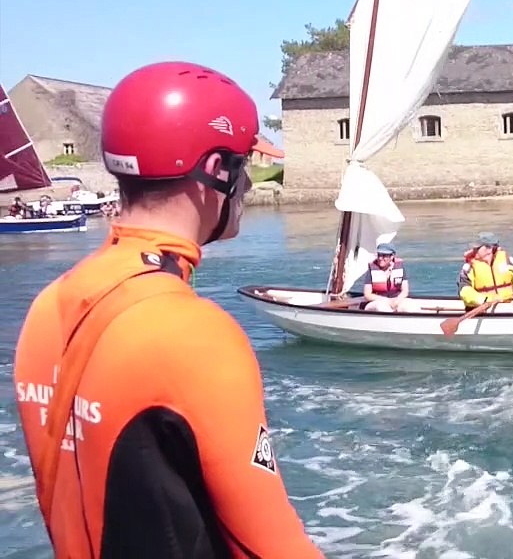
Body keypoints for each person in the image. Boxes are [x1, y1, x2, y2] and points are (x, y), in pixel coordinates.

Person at [11, 61, 321, 558]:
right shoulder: (194, 333)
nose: (250, 187)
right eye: (245, 167)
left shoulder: (51, 304)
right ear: (216, 172)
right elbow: (271, 548)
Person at [457, 232, 513, 308]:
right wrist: (485, 300)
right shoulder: (469, 268)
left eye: (493, 246)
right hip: (484, 307)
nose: (490, 250)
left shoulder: (508, 260)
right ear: (476, 248)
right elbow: (465, 292)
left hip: (510, 303)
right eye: (487, 246)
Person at [362, 242, 409, 312]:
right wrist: (387, 301)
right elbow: (367, 294)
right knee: (382, 307)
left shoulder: (400, 268)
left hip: (396, 299)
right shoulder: (371, 270)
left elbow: (405, 291)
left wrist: (397, 301)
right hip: (377, 301)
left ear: (392, 256)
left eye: (384, 256)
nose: (380, 258)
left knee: (409, 307)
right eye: (379, 255)